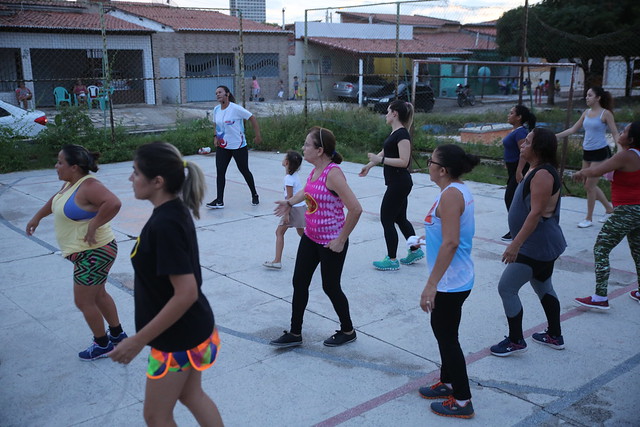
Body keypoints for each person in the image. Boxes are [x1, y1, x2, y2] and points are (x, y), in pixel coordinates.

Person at [109, 142, 223, 427]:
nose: (130, 179)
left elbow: (185, 293)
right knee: (192, 395)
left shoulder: (166, 224)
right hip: (193, 329)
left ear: (157, 181)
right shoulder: (172, 212)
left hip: (178, 341)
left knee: (155, 415)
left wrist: (138, 340)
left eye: (135, 172)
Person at [26, 144, 127, 360]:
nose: (56, 166)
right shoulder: (70, 185)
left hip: (94, 252)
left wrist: (94, 225)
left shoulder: (89, 185)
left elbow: (114, 203)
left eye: (60, 162)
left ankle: (102, 344)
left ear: (74, 167)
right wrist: (37, 217)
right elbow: (55, 200)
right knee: (98, 294)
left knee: (83, 301)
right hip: (89, 252)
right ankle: (117, 335)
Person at [269, 127, 362, 348]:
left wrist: (340, 240)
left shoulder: (334, 174)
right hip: (310, 237)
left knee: (331, 287)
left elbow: (356, 209)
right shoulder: (315, 170)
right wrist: (289, 202)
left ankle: (348, 330)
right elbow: (308, 191)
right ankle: (294, 333)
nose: (303, 148)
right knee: (299, 282)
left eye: (307, 144)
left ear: (320, 150)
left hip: (331, 242)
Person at [490, 128, 567, 357]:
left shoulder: (543, 174)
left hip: (535, 245)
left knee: (507, 288)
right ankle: (555, 335)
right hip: (540, 244)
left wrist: (515, 245)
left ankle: (515, 340)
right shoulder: (535, 169)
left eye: (528, 142)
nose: (523, 145)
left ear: (538, 148)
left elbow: (535, 214)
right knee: (543, 286)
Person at [417, 144, 479, 419]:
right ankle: (449, 382)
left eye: (430, 161)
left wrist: (431, 284)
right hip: (454, 277)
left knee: (447, 336)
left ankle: (463, 400)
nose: (427, 164)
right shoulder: (452, 191)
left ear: (442, 170)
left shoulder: (452, 195)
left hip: (451, 282)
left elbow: (452, 242)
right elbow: (447, 234)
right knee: (443, 331)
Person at [572, 122, 640, 309]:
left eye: (625, 131)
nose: (621, 131)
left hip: (627, 210)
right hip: (637, 210)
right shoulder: (633, 154)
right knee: (638, 252)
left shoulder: (626, 156)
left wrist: (581, 173)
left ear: (632, 139)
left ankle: (600, 296)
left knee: (601, 248)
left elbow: (597, 170)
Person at [360, 100, 424, 270]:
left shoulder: (402, 134)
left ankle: (392, 259)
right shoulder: (395, 133)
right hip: (398, 182)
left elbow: (404, 161)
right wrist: (369, 165)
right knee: (400, 218)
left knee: (386, 218)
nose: (386, 114)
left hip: (399, 183)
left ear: (395, 113)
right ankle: (415, 250)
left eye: (388, 111)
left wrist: (379, 160)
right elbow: (386, 151)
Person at [556, 86, 618, 228]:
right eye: (586, 95)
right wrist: (554, 136)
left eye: (590, 95)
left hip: (600, 152)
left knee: (589, 186)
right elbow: (573, 129)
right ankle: (609, 209)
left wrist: (619, 150)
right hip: (587, 152)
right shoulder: (586, 112)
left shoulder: (605, 113)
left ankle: (588, 219)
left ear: (598, 98)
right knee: (588, 185)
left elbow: (615, 133)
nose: (587, 97)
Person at [206, 85, 261, 209]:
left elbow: (252, 118)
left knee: (244, 171)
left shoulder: (235, 109)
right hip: (223, 146)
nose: (218, 95)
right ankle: (219, 200)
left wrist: (257, 136)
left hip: (238, 146)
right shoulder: (216, 110)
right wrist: (215, 137)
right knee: (220, 172)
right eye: (216, 93)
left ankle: (254, 194)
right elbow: (215, 124)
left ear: (227, 94)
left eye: (220, 92)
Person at [263, 150, 306, 269]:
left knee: (279, 232)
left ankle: (277, 261)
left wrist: (286, 214)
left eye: (283, 158)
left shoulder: (288, 179)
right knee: (302, 233)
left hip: (293, 209)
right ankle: (317, 250)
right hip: (301, 207)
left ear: (286, 162)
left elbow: (289, 199)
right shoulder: (295, 176)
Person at [501, 105, 536, 241]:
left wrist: (519, 170)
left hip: (518, 168)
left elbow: (523, 153)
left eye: (511, 113)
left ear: (519, 117)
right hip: (512, 168)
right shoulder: (515, 130)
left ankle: (518, 229)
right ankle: (519, 227)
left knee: (511, 198)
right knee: (514, 199)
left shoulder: (521, 132)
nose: (508, 115)